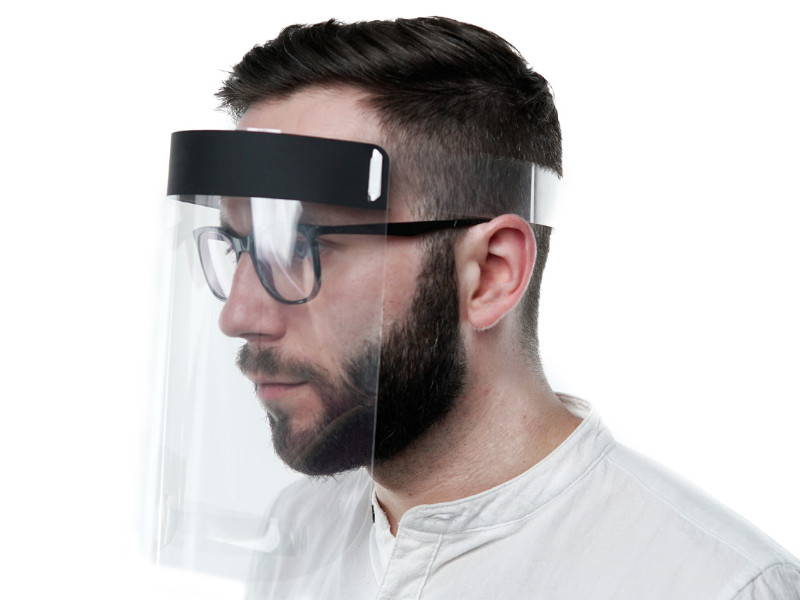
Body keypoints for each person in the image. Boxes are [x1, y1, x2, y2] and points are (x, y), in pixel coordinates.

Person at [166, 16, 800, 599]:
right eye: (238, 246)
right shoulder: (301, 533)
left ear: (491, 274)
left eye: (299, 247)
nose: (238, 315)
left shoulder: (714, 586)